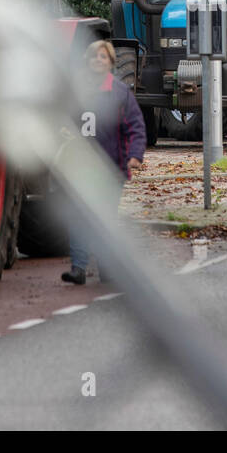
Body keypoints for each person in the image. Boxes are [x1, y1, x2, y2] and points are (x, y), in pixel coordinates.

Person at [62, 40, 146, 286]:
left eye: (103, 57)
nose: (97, 61)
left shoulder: (120, 93)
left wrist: (135, 155)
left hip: (111, 167)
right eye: (93, 57)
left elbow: (136, 127)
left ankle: (108, 268)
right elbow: (66, 120)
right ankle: (78, 268)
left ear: (110, 62)